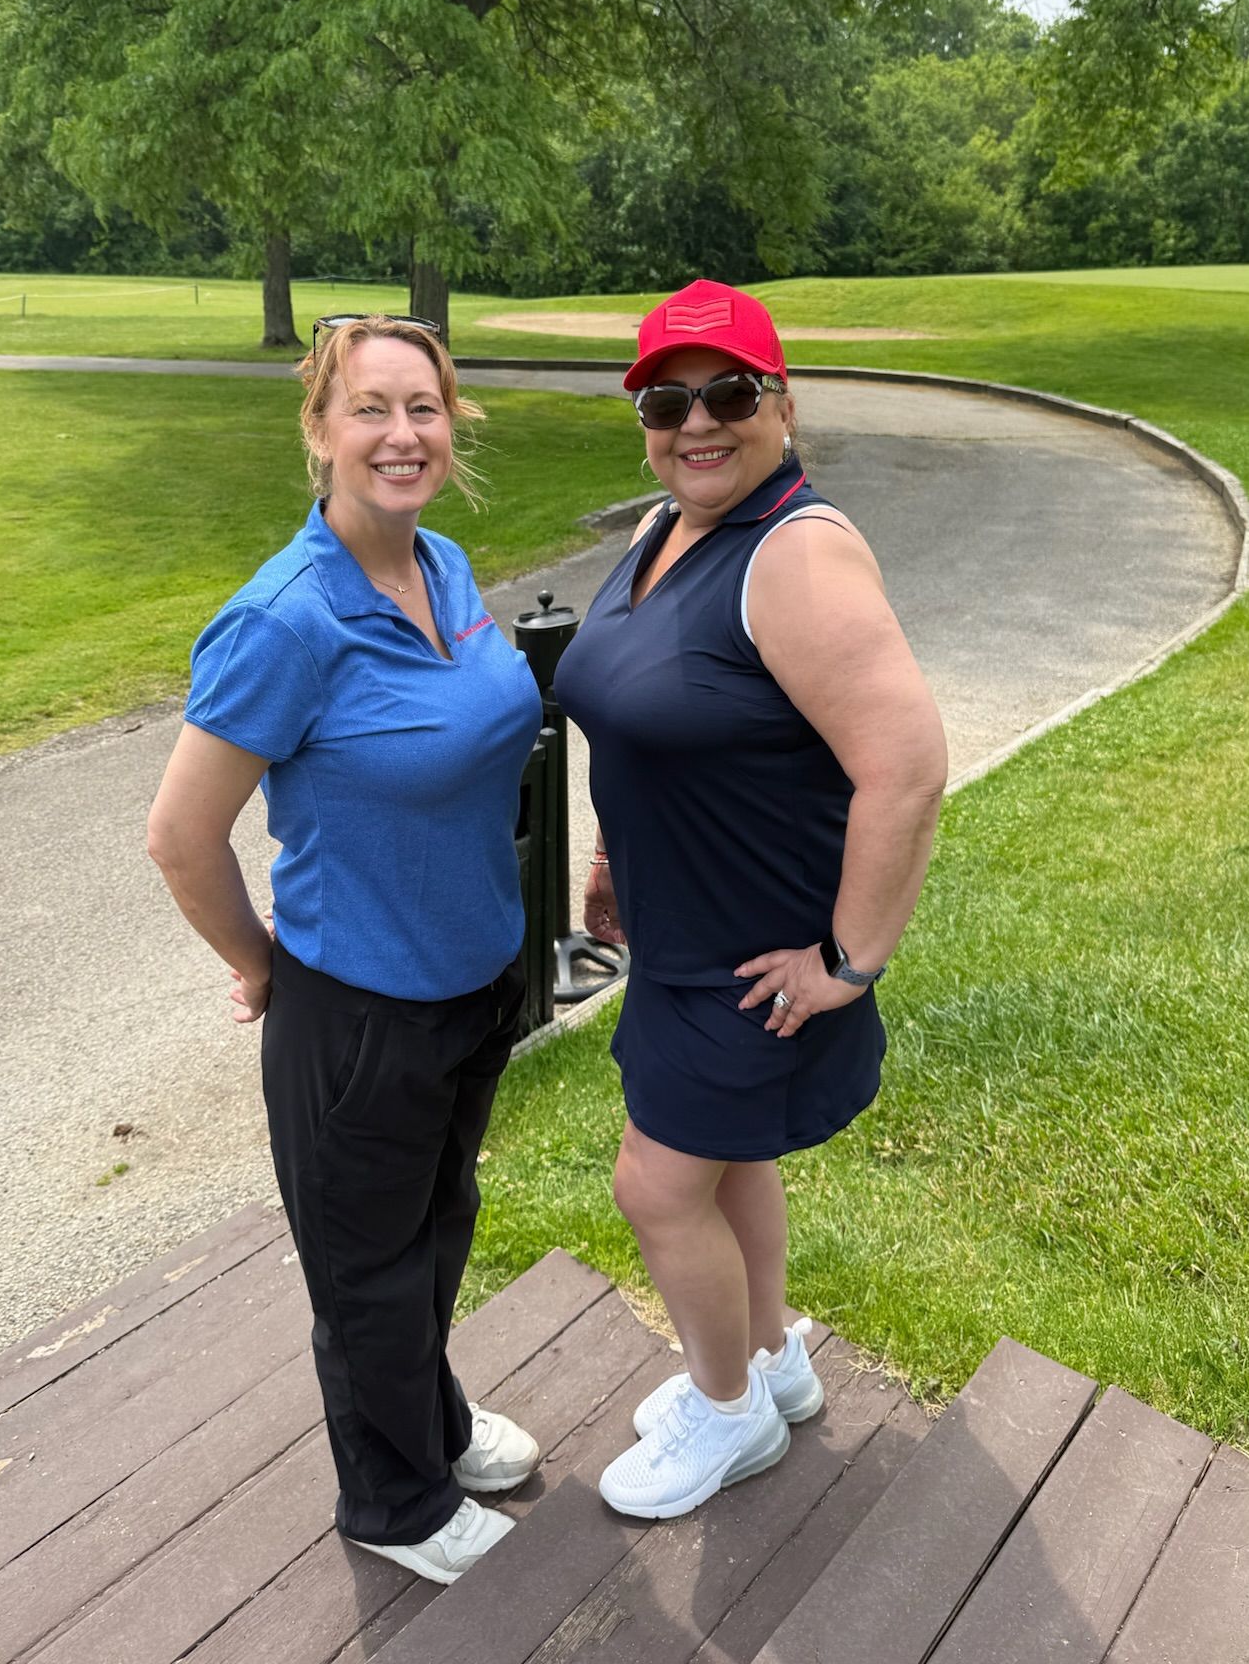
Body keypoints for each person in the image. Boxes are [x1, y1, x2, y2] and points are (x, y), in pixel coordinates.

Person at [147, 316, 545, 1584]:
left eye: (423, 407)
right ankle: (397, 1501)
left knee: (437, 1226)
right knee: (367, 1266)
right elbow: (179, 835)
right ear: (318, 430)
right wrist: (265, 964)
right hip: (359, 1006)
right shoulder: (285, 620)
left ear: (453, 425)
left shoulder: (448, 564)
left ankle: (425, 1419)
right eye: (369, 408)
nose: (401, 433)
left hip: (474, 981)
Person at [552, 279, 947, 1521]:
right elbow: (636, 719)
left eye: (729, 392)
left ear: (781, 402)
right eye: (669, 399)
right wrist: (616, 855)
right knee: (725, 1170)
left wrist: (851, 956)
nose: (697, 421)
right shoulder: (665, 530)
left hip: (757, 960)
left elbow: (908, 765)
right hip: (679, 934)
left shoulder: (797, 550)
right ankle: (769, 1363)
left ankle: (725, 1415)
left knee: (655, 1186)